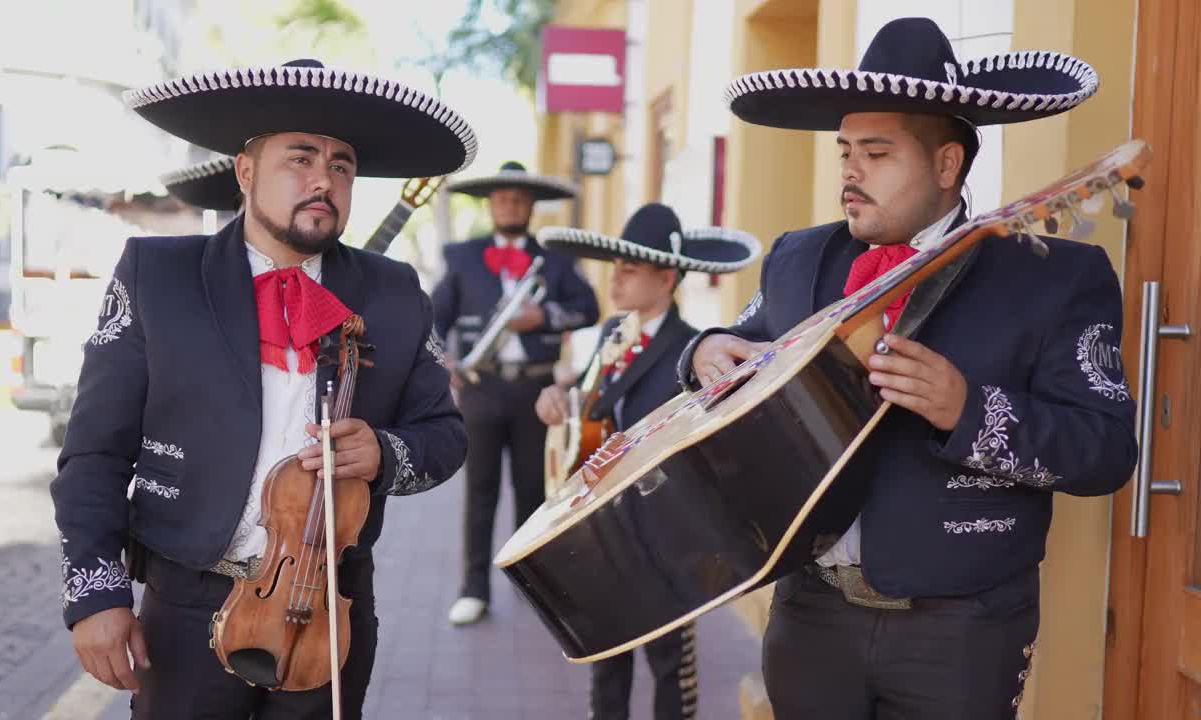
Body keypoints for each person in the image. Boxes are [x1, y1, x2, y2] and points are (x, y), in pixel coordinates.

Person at [679, 18, 1135, 719]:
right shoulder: (800, 257)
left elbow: (1103, 452)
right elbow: (738, 340)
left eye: (877, 153)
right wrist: (703, 350)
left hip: (962, 627)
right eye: (845, 152)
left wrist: (968, 411)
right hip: (810, 615)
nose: (851, 173)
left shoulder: (1055, 279)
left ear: (948, 165)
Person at [52, 58, 475, 719]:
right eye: (299, 159)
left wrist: (386, 454)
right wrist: (97, 597)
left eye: (341, 166)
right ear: (245, 173)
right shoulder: (157, 274)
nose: (322, 180)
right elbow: (94, 452)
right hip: (186, 606)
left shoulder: (393, 294)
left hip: (327, 608)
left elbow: (446, 437)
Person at [535, 202, 760, 720]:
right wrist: (558, 398)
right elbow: (591, 407)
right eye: (616, 269)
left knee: (668, 666)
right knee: (606, 657)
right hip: (603, 529)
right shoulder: (615, 333)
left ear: (666, 278)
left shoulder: (692, 349)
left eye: (630, 271)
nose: (615, 282)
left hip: (664, 534)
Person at [433, 160, 600, 625]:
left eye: (520, 198)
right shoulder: (462, 256)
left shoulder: (556, 258)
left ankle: (533, 584)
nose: (511, 204)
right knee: (480, 491)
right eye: (503, 197)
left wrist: (542, 318)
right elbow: (433, 317)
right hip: (482, 389)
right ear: (492, 204)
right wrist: (439, 360)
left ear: (530, 205)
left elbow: (589, 308)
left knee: (534, 490)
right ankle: (474, 589)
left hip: (535, 388)